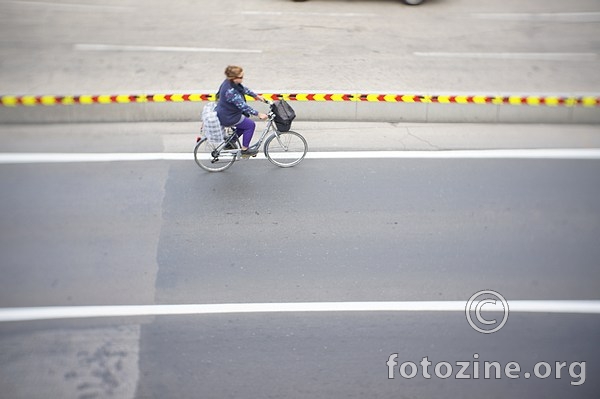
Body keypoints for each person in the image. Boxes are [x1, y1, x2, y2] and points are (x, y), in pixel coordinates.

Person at [215, 65, 268, 155]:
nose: (243, 79)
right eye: (241, 77)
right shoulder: (230, 91)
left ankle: (230, 143)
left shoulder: (229, 82)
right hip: (228, 116)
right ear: (234, 78)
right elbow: (243, 106)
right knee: (250, 125)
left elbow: (243, 89)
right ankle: (245, 150)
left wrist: (256, 96)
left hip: (225, 112)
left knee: (243, 124)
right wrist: (258, 114)